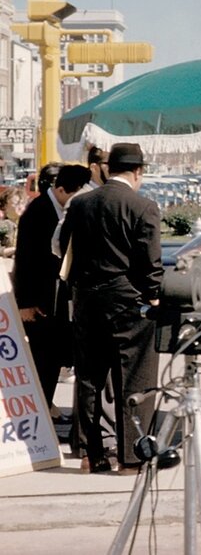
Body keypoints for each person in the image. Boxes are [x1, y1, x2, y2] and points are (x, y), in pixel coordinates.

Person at [60, 143, 163, 474]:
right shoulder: (143, 206)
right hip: (127, 300)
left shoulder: (81, 203)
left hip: (88, 299)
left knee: (89, 378)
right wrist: (152, 295)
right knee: (135, 378)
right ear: (137, 172)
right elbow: (151, 261)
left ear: (107, 168)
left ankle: (93, 455)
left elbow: (63, 247)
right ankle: (132, 456)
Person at [14, 164, 90, 412]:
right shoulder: (36, 212)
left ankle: (46, 405)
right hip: (37, 300)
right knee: (41, 358)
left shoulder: (65, 209)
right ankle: (40, 408)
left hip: (57, 299)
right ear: (59, 189)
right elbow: (24, 260)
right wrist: (24, 303)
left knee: (54, 356)